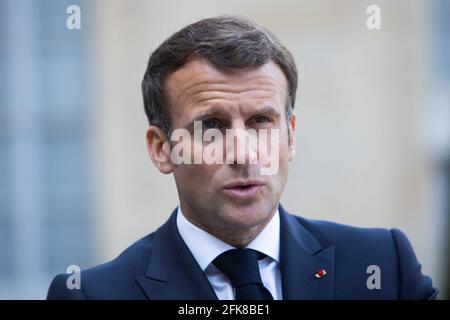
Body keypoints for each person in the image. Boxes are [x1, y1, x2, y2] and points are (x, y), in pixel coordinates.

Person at [47, 15, 438, 300]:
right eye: (211, 126)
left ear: (290, 136)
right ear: (161, 148)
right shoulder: (93, 295)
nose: (244, 152)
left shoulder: (385, 267)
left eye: (261, 121)